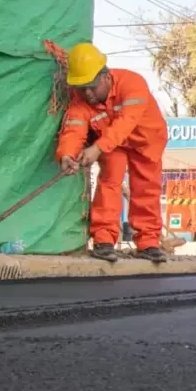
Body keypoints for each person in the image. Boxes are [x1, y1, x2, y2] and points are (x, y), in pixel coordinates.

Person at [56, 43, 168, 264]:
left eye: (91, 86)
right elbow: (74, 128)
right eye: (81, 88)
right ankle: (103, 240)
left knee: (146, 188)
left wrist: (97, 147)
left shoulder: (133, 84)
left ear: (106, 77)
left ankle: (148, 243)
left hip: (146, 141)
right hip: (112, 144)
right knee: (109, 180)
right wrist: (67, 154)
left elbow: (126, 122)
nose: (87, 93)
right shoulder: (81, 100)